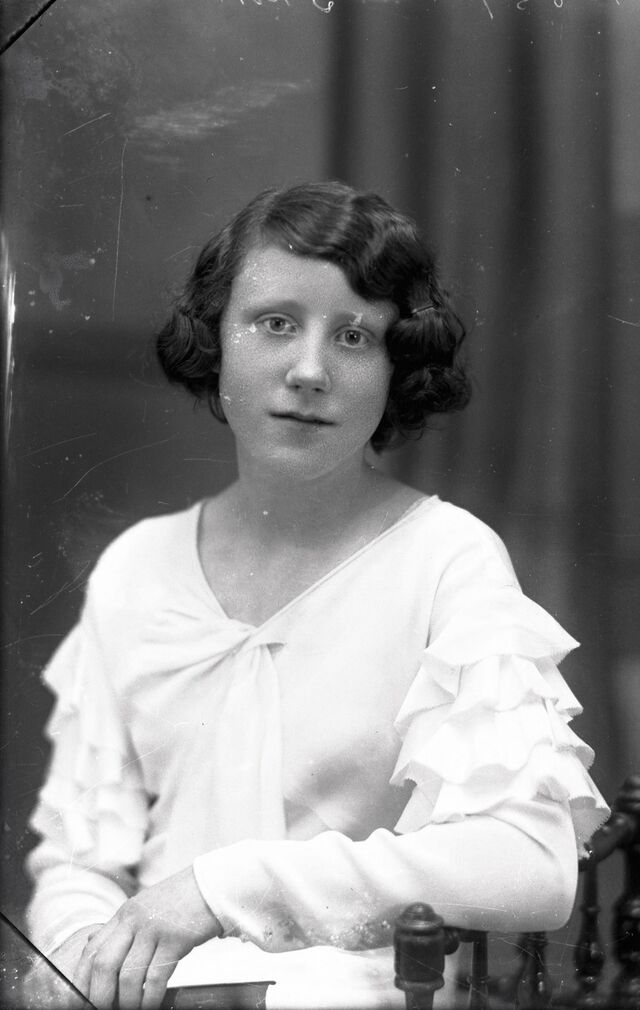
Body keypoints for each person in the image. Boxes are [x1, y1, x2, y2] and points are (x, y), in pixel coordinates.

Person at [25, 181, 609, 1010]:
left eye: (355, 336)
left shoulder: (446, 559)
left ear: (397, 368)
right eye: (274, 324)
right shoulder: (138, 566)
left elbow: (531, 864)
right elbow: (79, 856)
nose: (308, 371)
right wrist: (81, 955)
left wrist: (221, 889)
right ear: (216, 339)